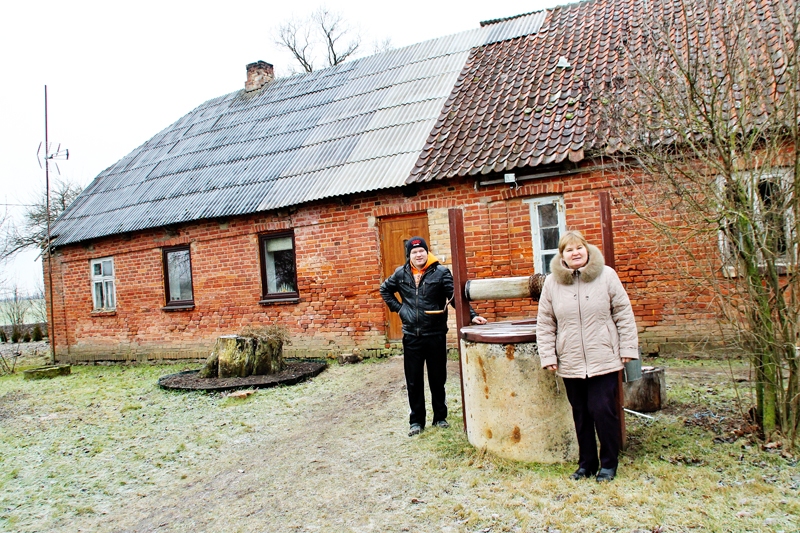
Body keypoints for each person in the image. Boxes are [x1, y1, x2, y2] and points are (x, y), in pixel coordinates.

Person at [536, 230, 638, 482]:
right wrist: (548, 355)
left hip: (603, 356)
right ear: (562, 256)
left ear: (587, 249)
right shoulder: (552, 283)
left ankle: (608, 464)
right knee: (580, 413)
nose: (575, 253)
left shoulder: (607, 276)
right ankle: (586, 464)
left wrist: (627, 348)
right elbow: (545, 322)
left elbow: (623, 313)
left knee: (603, 410)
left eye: (579, 248)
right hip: (570, 359)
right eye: (569, 250)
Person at [380, 236, 487, 437]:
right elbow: (385, 290)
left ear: (427, 252)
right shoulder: (401, 274)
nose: (418, 254)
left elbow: (455, 298)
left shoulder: (440, 273)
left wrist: (472, 316)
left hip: (435, 334)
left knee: (438, 378)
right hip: (412, 336)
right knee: (413, 380)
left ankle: (440, 418)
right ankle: (416, 421)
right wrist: (401, 310)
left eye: (421, 251)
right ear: (409, 255)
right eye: (414, 252)